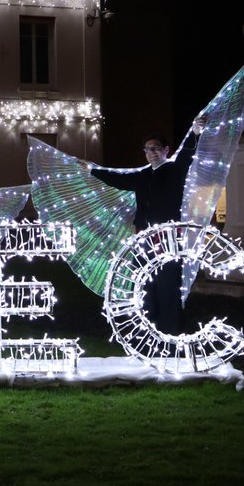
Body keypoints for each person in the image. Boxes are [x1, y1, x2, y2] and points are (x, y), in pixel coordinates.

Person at [80, 115, 206, 333]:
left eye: (156, 148)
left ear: (166, 150)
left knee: (168, 283)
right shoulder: (142, 175)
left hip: (167, 238)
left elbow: (186, 155)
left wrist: (194, 132)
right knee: (146, 283)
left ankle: (172, 330)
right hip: (143, 238)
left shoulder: (174, 170)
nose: (151, 153)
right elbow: (117, 179)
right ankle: (150, 329)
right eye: (147, 150)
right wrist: (92, 170)